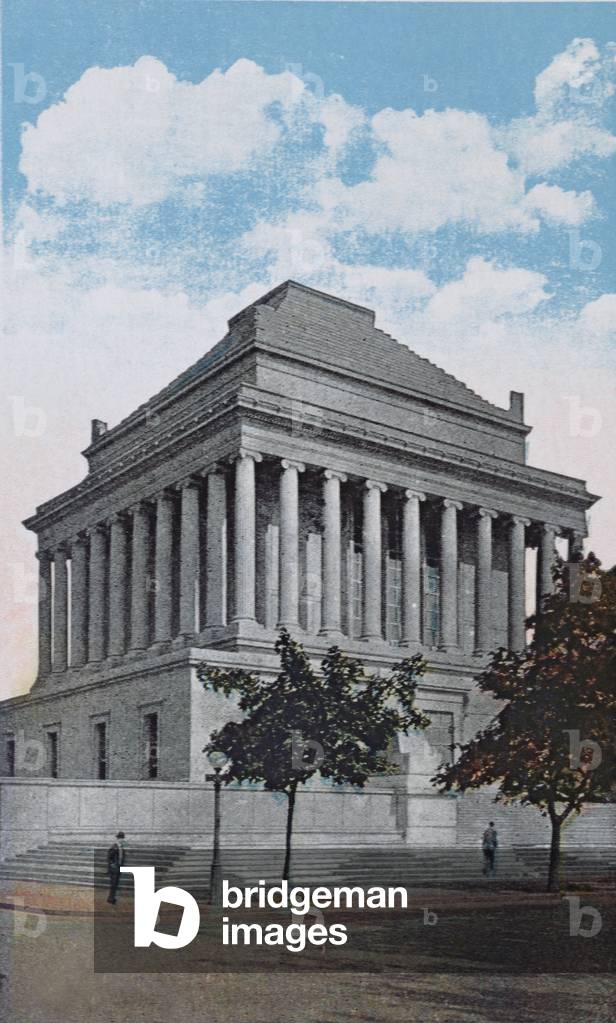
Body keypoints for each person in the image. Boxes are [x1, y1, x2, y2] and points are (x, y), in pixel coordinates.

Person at [107, 831, 126, 904]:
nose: (122, 839)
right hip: (114, 869)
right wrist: (112, 865)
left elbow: (121, 857)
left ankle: (112, 898)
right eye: (121, 838)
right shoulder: (114, 846)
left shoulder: (121, 847)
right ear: (118, 839)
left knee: (115, 884)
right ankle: (110, 899)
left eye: (123, 838)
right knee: (113, 884)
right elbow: (109, 857)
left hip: (119, 868)